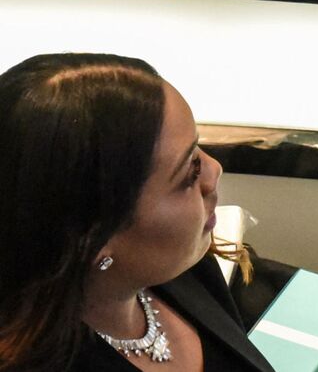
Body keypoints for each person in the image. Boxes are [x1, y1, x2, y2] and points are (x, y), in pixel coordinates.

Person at [0, 53, 268, 372]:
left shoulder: (182, 268)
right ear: (94, 241)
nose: (214, 170)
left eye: (198, 148)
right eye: (189, 173)